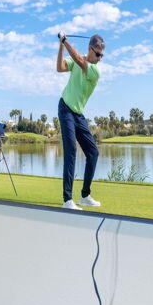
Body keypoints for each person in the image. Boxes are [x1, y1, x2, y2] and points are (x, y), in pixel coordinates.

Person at [55, 33, 105, 210]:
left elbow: (78, 60)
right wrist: (61, 46)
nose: (99, 58)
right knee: (71, 151)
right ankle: (67, 200)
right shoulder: (79, 60)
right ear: (90, 49)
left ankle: (85, 195)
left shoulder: (94, 70)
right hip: (66, 108)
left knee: (93, 152)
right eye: (97, 54)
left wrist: (64, 40)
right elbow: (60, 68)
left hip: (78, 114)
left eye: (101, 55)